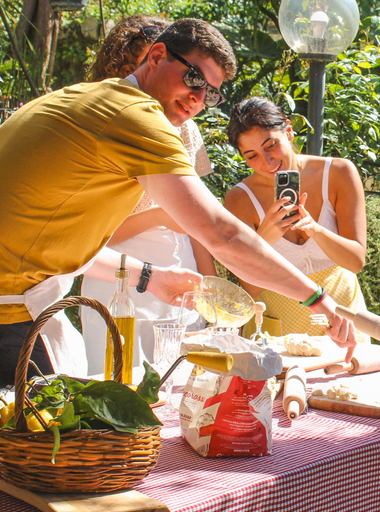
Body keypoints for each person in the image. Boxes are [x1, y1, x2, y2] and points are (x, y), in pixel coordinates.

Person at [0, 18, 356, 393]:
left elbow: (66, 245)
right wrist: (317, 298)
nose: (197, 99)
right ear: (157, 56)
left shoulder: (90, 97)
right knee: (44, 457)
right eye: (193, 77)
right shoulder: (137, 115)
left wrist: (151, 277)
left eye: (210, 93)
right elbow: (221, 233)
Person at [81, 15, 218, 376]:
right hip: (118, 278)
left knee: (187, 385)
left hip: (180, 273)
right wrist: (159, 217)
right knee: (119, 387)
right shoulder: (104, 122)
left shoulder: (186, 130)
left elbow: (201, 226)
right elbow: (89, 239)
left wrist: (212, 294)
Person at [224, 97, 369, 341]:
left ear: (289, 131)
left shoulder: (338, 173)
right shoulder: (239, 199)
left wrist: (316, 230)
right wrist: (264, 241)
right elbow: (250, 290)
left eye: (270, 145)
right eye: (252, 156)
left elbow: (355, 262)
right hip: (276, 330)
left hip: (343, 323)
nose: (267, 162)